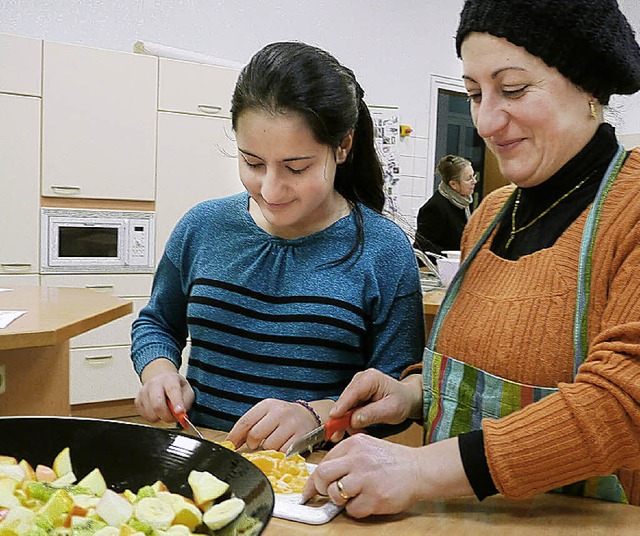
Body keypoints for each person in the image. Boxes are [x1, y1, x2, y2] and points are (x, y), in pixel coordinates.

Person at [303, 0, 640, 517]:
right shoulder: (488, 216)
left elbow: (622, 406)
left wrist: (417, 469)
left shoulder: (631, 209)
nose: (484, 120)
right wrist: (412, 392)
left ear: (590, 85)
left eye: (512, 89)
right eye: (474, 93)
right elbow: (481, 371)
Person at [130, 41, 425, 452]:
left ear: (342, 146)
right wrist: (158, 371)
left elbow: (398, 399)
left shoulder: (382, 249)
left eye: (296, 167)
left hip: (313, 479)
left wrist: (316, 415)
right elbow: (157, 323)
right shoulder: (203, 226)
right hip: (202, 462)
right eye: (252, 163)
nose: (269, 188)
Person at [414, 154, 476, 256]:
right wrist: (451, 258)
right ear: (453, 184)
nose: (474, 181)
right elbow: (424, 248)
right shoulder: (435, 208)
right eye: (469, 179)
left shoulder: (464, 203)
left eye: (473, 176)